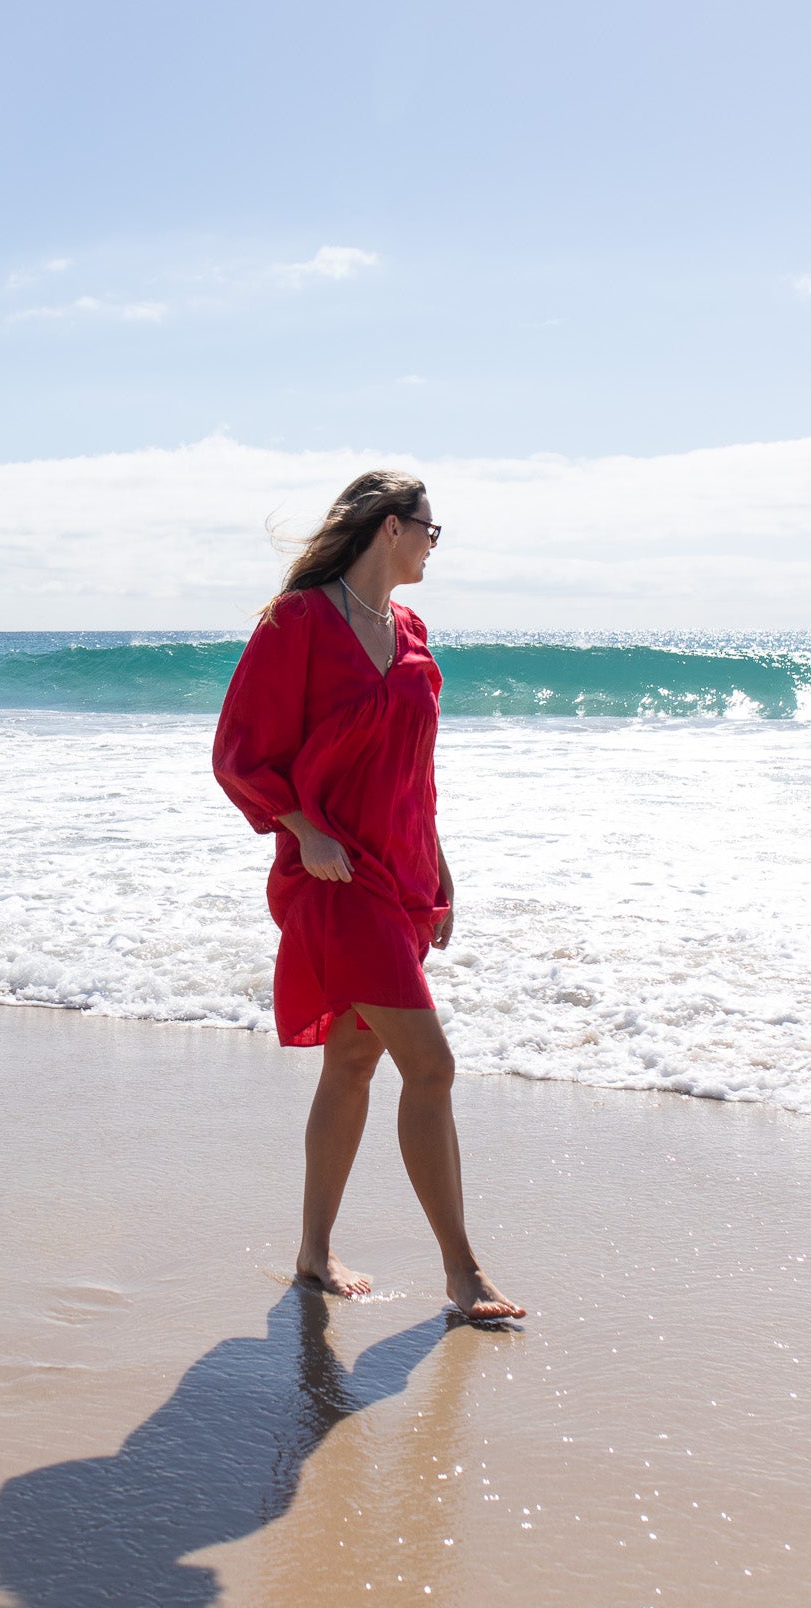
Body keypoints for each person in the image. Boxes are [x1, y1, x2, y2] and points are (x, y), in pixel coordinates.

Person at [212, 470, 523, 1322]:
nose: (432, 542)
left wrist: (438, 862)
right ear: (391, 526)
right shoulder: (299, 621)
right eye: (428, 527)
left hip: (398, 872)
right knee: (432, 1066)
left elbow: (411, 772)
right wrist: (300, 829)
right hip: (334, 877)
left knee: (351, 1061)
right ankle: (463, 1273)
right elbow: (239, 751)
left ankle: (312, 1254)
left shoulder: (411, 628)